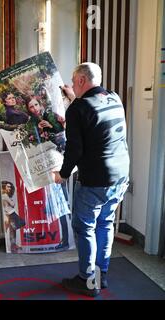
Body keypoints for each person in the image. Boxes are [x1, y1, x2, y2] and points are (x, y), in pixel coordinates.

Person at [52, 62, 130, 297]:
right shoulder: (113, 97)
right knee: (105, 224)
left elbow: (74, 150)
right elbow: (94, 125)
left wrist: (62, 175)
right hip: (121, 174)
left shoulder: (77, 109)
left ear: (82, 81)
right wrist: (72, 99)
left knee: (85, 227)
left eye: (75, 82)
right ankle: (100, 276)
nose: (73, 86)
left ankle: (87, 280)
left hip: (96, 179)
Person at [1, 181, 26, 253]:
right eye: (7, 186)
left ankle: (13, 245)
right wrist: (11, 201)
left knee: (13, 230)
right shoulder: (5, 195)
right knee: (13, 230)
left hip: (10, 213)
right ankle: (13, 247)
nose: (9, 188)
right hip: (10, 214)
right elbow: (12, 204)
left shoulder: (4, 195)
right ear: (4, 187)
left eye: (10, 186)